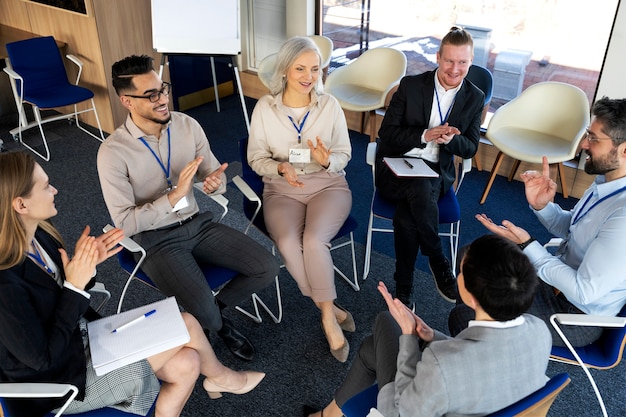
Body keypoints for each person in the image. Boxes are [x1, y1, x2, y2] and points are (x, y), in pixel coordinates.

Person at [0, 152, 265, 417]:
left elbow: (65, 289)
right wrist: (74, 286)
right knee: (186, 325)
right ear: (21, 205)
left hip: (80, 339)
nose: (55, 189)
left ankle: (221, 378)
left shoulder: (40, 235)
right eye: (46, 186)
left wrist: (86, 267)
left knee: (188, 361)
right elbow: (42, 359)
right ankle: (223, 378)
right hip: (59, 380)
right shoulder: (4, 284)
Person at [97, 54, 279, 362]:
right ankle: (219, 325)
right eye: (151, 95)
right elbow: (124, 224)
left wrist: (214, 184)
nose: (162, 99)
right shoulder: (112, 153)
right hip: (156, 241)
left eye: (162, 89)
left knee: (267, 267)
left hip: (198, 223)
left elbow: (213, 176)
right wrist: (172, 196)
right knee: (204, 313)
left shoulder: (187, 125)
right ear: (127, 101)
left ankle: (212, 313)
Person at [304, 234, 551, 417]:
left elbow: (396, 412)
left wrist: (410, 338)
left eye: (461, 273)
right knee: (371, 349)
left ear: (472, 298)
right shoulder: (540, 331)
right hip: (488, 401)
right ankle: (328, 415)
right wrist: (432, 336)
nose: (458, 277)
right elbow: (484, 355)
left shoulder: (441, 363)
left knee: (385, 320)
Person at [450, 97, 626, 347]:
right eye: (587, 134)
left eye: (594, 138)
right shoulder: (605, 183)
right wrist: (542, 206)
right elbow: (572, 230)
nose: (584, 144)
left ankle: (481, 348)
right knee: (473, 255)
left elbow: (584, 291)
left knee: (465, 318)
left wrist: (527, 245)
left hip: (572, 315)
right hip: (555, 282)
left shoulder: (623, 216)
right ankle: (486, 342)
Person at [247, 37, 354, 362]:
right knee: (289, 242)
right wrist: (279, 168)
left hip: (327, 185)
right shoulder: (265, 108)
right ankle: (330, 307)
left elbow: (345, 153)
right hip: (282, 188)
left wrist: (326, 161)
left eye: (314, 68)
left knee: (314, 238)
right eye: (300, 68)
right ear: (285, 70)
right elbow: (255, 158)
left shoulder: (330, 105)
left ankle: (325, 318)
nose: (308, 76)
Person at [376, 27, 484, 306]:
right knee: (419, 186)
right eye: (449, 61)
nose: (455, 69)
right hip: (396, 168)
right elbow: (386, 135)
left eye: (463, 62)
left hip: (435, 172)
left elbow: (471, 147)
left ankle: (404, 287)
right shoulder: (411, 86)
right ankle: (438, 260)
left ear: (471, 62)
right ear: (438, 57)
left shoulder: (475, 97)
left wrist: (450, 142)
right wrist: (425, 135)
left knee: (406, 217)